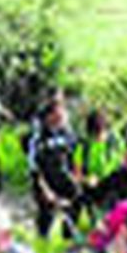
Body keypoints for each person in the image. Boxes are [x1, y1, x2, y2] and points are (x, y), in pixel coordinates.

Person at [26, 92, 79, 240]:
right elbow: (34, 167)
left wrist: (76, 176)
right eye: (57, 116)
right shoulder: (38, 136)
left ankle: (68, 238)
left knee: (76, 199)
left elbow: (75, 157)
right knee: (46, 210)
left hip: (63, 174)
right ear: (49, 116)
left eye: (62, 116)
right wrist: (45, 190)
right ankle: (42, 239)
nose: (61, 119)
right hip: (44, 177)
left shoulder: (68, 133)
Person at [71, 107, 124, 226]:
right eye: (96, 134)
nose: (100, 137)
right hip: (92, 188)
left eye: (103, 132)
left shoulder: (116, 142)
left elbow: (122, 162)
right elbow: (76, 174)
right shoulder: (83, 147)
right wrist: (86, 179)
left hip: (113, 185)